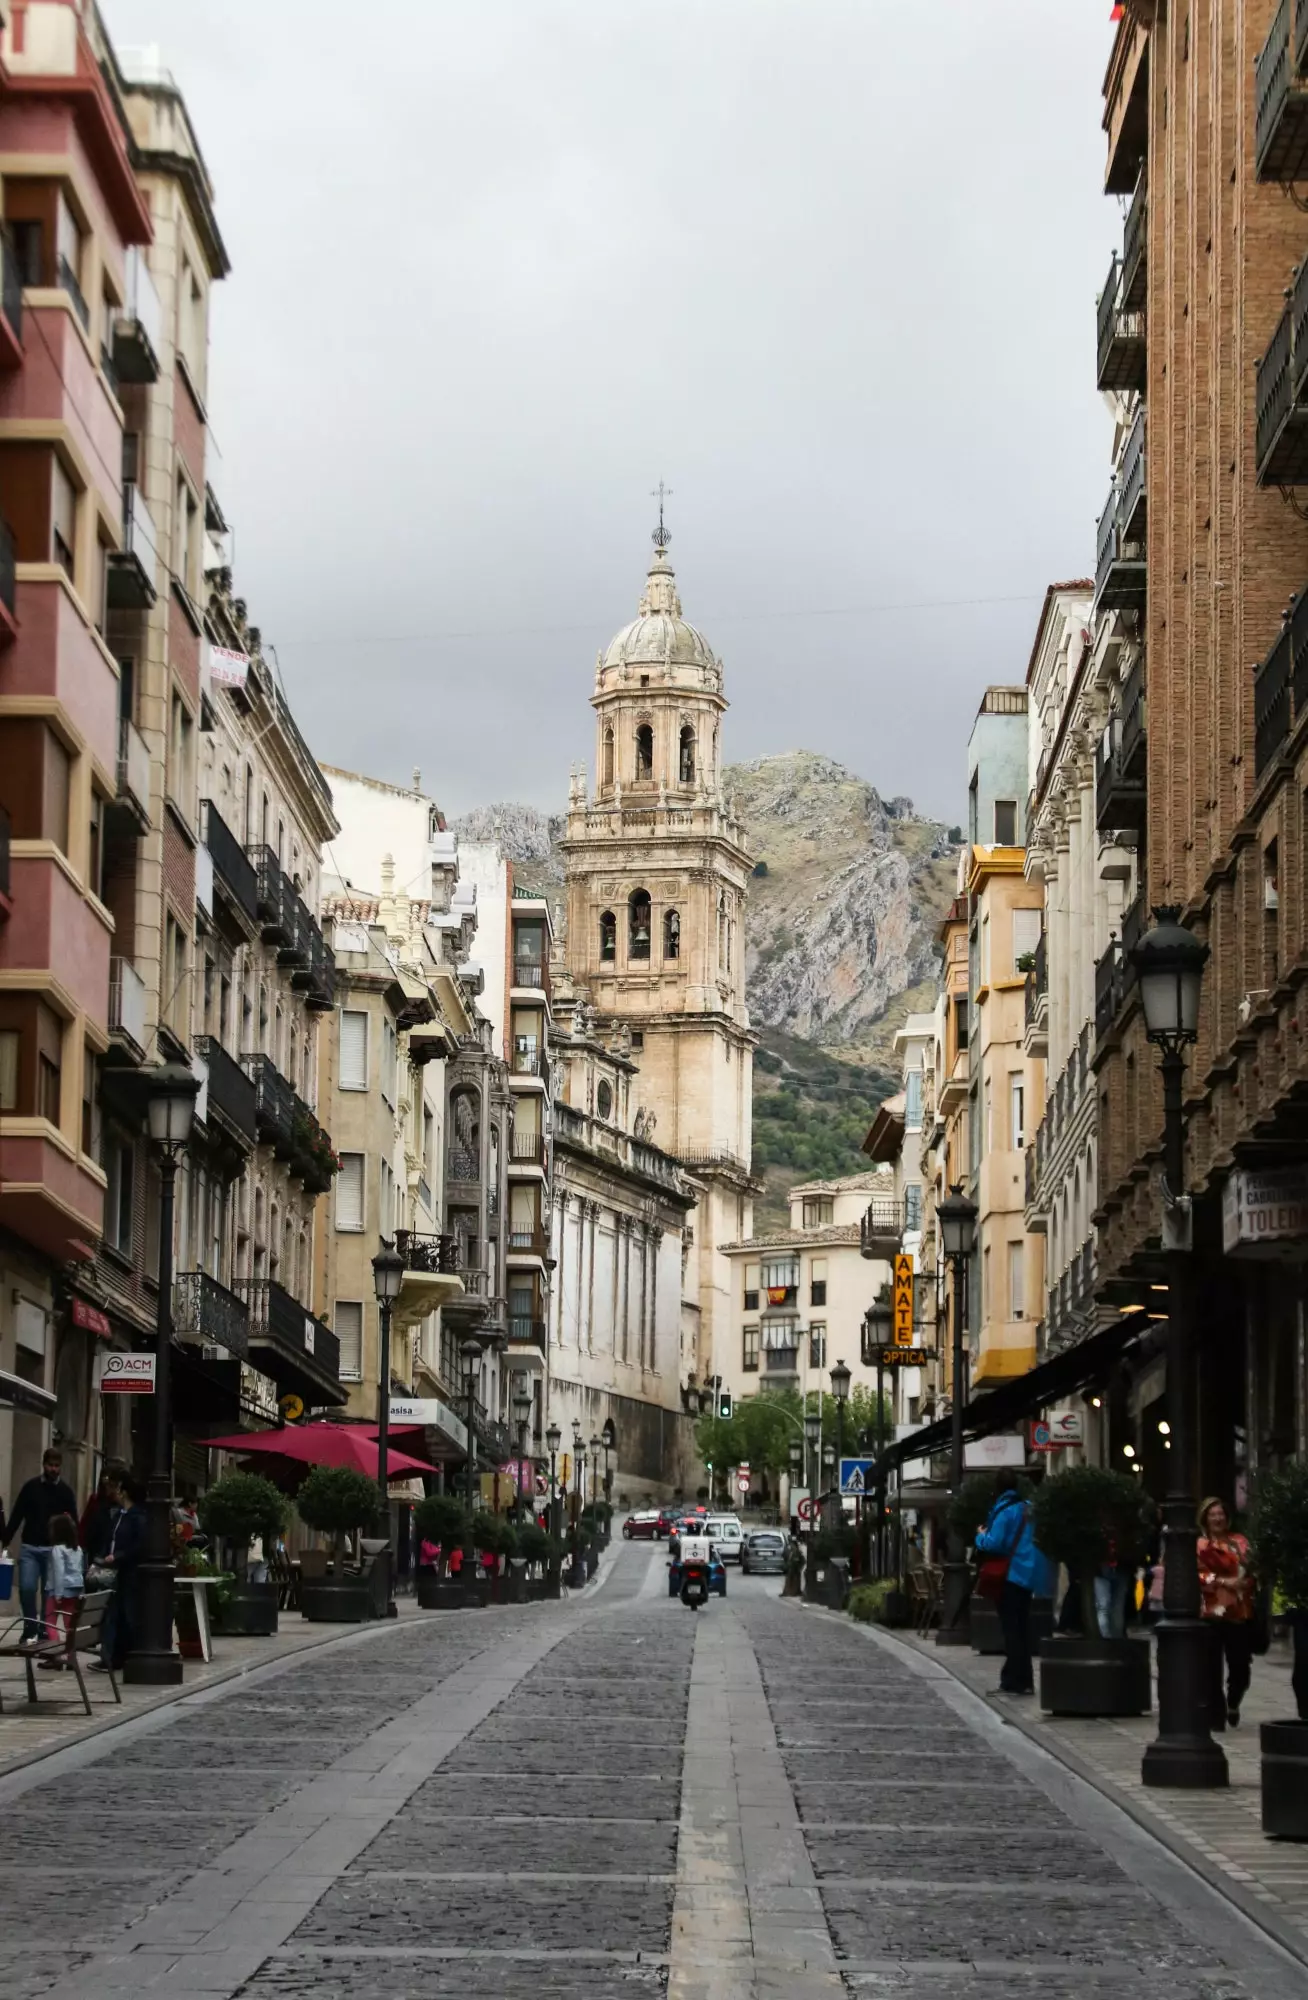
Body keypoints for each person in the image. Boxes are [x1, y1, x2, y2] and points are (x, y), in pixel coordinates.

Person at [975, 1477, 1056, 1696]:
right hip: (1029, 1574)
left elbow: (994, 1543)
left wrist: (980, 1537)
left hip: (1010, 1575)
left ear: (998, 1489)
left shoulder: (1005, 1512)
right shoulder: (1029, 1510)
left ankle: (1014, 1681)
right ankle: (1024, 1680)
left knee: (1011, 1630)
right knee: (1022, 1627)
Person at [4, 1448, 78, 1644]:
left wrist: (73, 1545)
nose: (54, 1469)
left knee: (49, 1593)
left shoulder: (65, 1492)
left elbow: (73, 1522)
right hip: (30, 1546)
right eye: (50, 1465)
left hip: (54, 1551)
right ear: (44, 1465)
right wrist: (6, 1538)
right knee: (27, 1588)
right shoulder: (31, 1487)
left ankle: (45, 1629)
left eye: (57, 1466)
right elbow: (17, 1514)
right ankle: (30, 1627)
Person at [1197, 1496, 1256, 1727]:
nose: (1217, 1518)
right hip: (1213, 1610)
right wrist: (1224, 1582)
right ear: (1205, 1518)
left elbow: (1252, 1568)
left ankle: (1233, 1703)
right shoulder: (1200, 1545)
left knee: (1241, 1666)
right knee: (1211, 1668)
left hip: (1240, 1611)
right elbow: (1199, 1574)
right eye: (1213, 1515)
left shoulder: (1240, 1541)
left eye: (1220, 1514)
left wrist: (1247, 1581)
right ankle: (1216, 1715)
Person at [100, 1472, 147, 1671]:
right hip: (115, 1572)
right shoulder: (118, 1515)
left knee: (126, 1614)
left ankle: (124, 1655)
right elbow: (110, 1538)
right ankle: (112, 1656)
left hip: (129, 1572)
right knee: (113, 1614)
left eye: (119, 1489)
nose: (115, 1493)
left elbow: (140, 1545)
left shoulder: (137, 1516)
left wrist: (118, 1556)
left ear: (125, 1492)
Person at [42, 1513, 84, 1654]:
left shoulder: (57, 1549)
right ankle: (70, 1655)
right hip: (74, 1590)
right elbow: (80, 1570)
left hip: (57, 1590)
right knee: (68, 1625)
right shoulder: (77, 1549)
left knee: (50, 1621)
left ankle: (55, 1653)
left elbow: (58, 1571)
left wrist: (58, 1593)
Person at [80, 1465, 124, 1572]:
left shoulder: (121, 1505)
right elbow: (85, 1524)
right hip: (95, 1548)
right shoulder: (96, 1500)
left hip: (113, 1551)